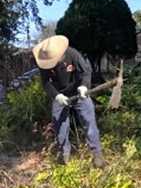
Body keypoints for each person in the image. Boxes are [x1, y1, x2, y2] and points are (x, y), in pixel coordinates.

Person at [32, 35, 106, 168]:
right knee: (59, 126)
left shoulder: (72, 54)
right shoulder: (43, 62)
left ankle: (97, 155)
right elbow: (46, 83)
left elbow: (86, 72)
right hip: (60, 95)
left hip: (78, 93)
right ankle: (63, 155)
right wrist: (57, 96)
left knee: (89, 123)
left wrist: (84, 86)